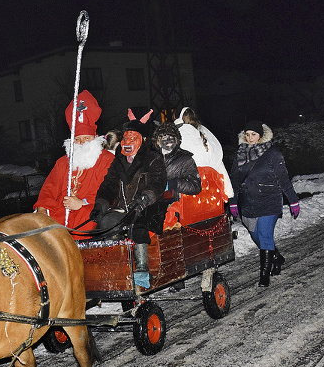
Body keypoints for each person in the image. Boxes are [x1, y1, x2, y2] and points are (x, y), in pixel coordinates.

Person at [92, 110, 167, 290]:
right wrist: (100, 205)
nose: (127, 141)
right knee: (106, 221)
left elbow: (158, 183)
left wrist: (145, 198)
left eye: (132, 137)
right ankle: (116, 266)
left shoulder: (153, 159)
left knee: (138, 225)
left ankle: (142, 270)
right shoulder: (118, 162)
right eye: (125, 137)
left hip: (148, 207)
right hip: (123, 208)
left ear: (142, 140)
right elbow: (109, 185)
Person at [229, 121, 300, 287]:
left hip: (269, 199)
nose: (250, 138)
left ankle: (264, 276)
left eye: (253, 134)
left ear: (260, 135)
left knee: (265, 235)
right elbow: (234, 180)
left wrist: (293, 200)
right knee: (256, 235)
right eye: (247, 134)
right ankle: (275, 256)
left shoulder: (272, 153)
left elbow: (283, 178)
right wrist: (233, 202)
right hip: (248, 202)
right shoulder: (240, 154)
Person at [34, 90, 114, 236]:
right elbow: (49, 188)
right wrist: (42, 208)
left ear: (95, 137)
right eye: (77, 139)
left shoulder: (107, 160)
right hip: (60, 216)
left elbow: (110, 192)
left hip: (90, 213)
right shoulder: (63, 162)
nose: (82, 143)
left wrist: (82, 203)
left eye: (87, 138)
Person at [174, 107, 234, 202]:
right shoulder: (204, 133)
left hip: (189, 187)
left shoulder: (180, 133)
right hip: (210, 186)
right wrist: (228, 191)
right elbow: (218, 161)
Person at [152, 120, 202, 225]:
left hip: (173, 211)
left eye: (171, 137)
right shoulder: (151, 158)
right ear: (157, 141)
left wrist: (173, 183)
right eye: (163, 137)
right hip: (151, 205)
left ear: (177, 139)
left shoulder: (185, 159)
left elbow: (196, 186)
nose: (167, 140)